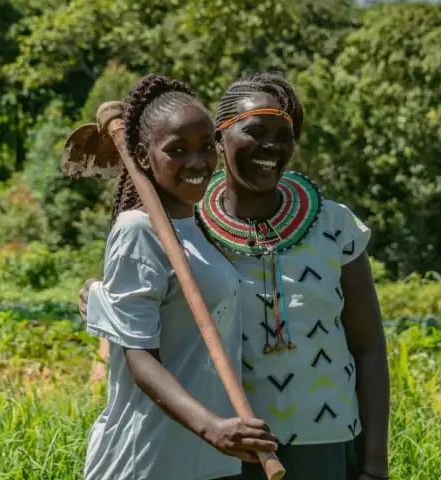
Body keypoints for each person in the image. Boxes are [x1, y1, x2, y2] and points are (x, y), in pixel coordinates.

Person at [82, 72, 391, 480]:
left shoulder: (334, 225)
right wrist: (100, 295)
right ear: (222, 140)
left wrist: (375, 464)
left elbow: (369, 346)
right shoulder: (192, 229)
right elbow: (148, 297)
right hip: (230, 452)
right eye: (255, 132)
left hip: (328, 440)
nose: (271, 147)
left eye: (285, 135)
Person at [82, 74, 278, 480]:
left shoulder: (200, 232)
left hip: (205, 463)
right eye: (177, 150)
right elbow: (139, 357)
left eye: (207, 147)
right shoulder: (138, 229)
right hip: (144, 460)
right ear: (142, 155)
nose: (197, 162)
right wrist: (212, 427)